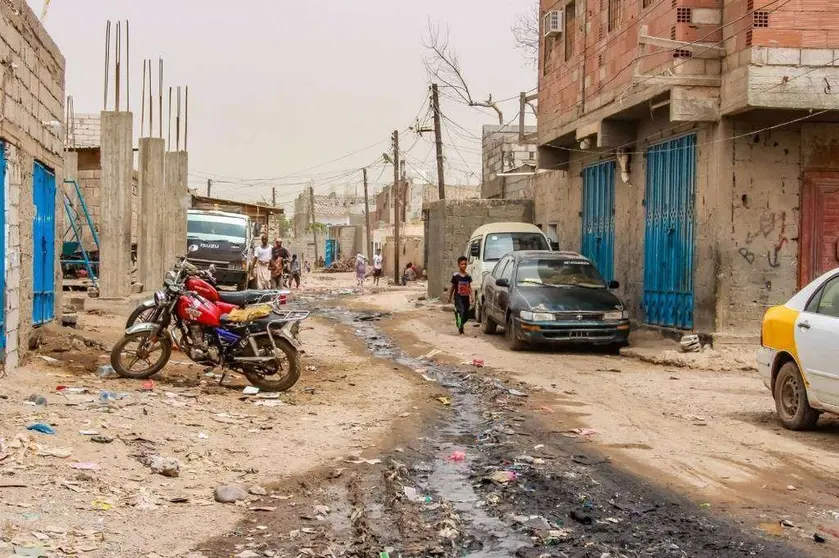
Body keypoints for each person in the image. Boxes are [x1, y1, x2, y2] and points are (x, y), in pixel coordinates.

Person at [448, 256, 473, 335]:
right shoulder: (456, 276)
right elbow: (452, 287)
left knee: (466, 315)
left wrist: (472, 297)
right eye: (462, 264)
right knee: (461, 311)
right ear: (458, 265)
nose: (464, 266)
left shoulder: (468, 276)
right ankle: (460, 328)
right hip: (458, 297)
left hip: (466, 298)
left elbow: (469, 287)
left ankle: (460, 323)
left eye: (465, 264)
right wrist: (450, 297)